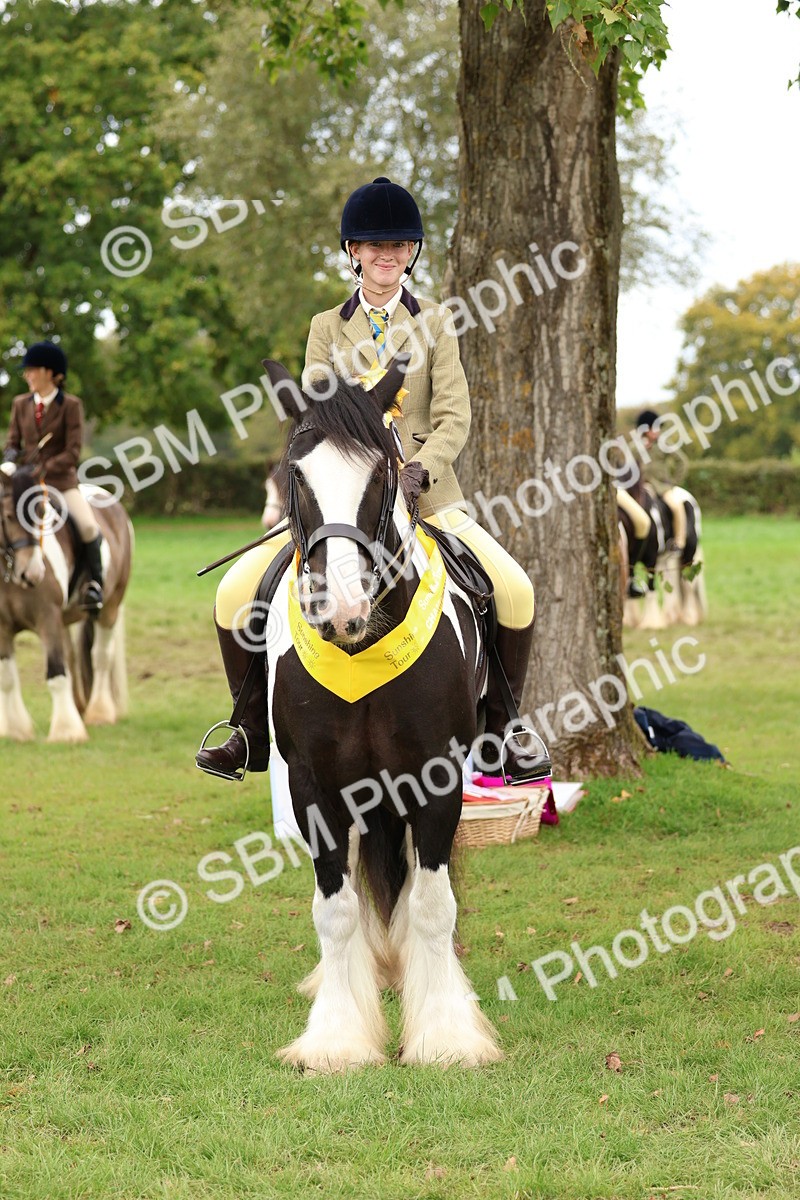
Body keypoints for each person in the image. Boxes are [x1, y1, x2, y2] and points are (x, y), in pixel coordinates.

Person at [196, 177, 550, 784]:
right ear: (353, 251)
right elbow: (315, 405)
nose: (386, 254)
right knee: (233, 595)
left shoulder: (437, 323)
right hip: (343, 500)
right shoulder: (327, 328)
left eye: (398, 244)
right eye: (372, 243)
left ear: (412, 252)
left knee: (514, 590)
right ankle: (249, 729)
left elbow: (454, 415)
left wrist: (418, 470)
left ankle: (501, 729)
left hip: (428, 498)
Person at [1, 341, 104, 612]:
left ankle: (94, 585)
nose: (27, 375)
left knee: (88, 527)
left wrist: (43, 469)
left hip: (61, 482)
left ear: (49, 372)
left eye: (31, 370)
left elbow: (72, 452)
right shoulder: (20, 404)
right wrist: (10, 460)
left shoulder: (71, 405)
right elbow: (12, 442)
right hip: (25, 482)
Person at [633, 409, 688, 552]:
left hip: (662, 487)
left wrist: (673, 482)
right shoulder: (635, 446)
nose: (657, 431)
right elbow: (627, 462)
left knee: (676, 506)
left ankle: (679, 542)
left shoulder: (664, 444)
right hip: (644, 486)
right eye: (653, 428)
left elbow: (682, 462)